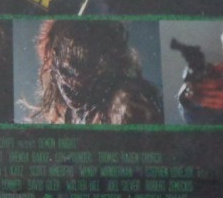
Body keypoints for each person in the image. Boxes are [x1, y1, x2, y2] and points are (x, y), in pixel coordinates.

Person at [27, 21, 163, 124]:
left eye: (79, 62)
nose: (71, 81)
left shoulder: (126, 102)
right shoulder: (71, 114)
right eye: (63, 70)